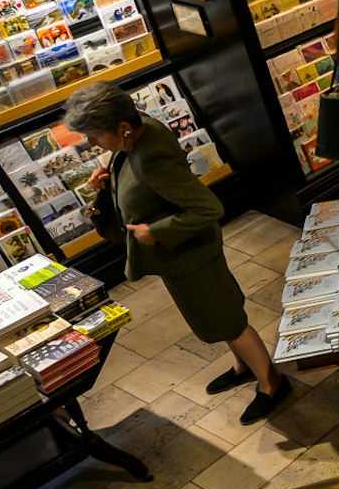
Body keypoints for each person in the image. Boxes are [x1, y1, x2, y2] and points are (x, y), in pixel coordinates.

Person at [66, 82, 290, 423]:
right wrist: (106, 186)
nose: (92, 144)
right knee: (216, 318)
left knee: (228, 320)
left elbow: (206, 208)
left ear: (123, 128)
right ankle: (243, 365)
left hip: (191, 256)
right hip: (180, 259)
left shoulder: (152, 157)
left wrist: (155, 231)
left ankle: (271, 382)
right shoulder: (136, 135)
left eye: (95, 135)